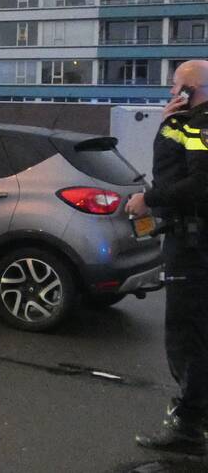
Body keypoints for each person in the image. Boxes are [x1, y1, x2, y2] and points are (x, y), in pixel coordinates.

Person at [125, 59, 208, 456]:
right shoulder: (189, 123)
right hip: (190, 240)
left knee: (186, 335)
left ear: (191, 90)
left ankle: (189, 427)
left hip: (193, 246)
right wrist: (168, 124)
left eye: (177, 87)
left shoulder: (200, 124)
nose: (171, 93)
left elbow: (199, 184)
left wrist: (148, 200)